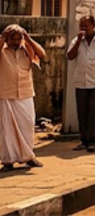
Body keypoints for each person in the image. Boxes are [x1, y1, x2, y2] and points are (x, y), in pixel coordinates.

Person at [0, 25, 45, 171]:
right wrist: (3, 38)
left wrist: (28, 38)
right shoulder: (2, 49)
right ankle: (8, 160)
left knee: (27, 124)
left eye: (18, 39)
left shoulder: (26, 48)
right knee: (7, 129)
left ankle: (28, 157)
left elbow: (42, 55)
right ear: (8, 39)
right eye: (13, 39)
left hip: (25, 92)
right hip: (6, 93)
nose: (16, 42)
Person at [66, 15, 95, 153]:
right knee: (82, 113)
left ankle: (93, 141)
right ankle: (83, 140)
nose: (83, 28)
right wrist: (79, 40)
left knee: (94, 113)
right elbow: (70, 56)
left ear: (93, 25)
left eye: (86, 26)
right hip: (81, 82)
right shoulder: (76, 41)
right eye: (81, 26)